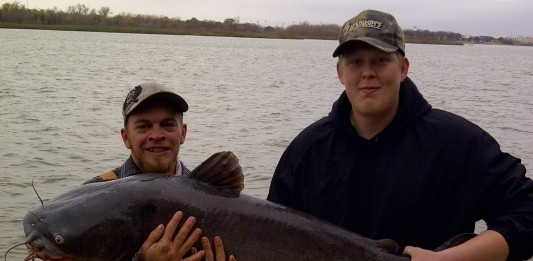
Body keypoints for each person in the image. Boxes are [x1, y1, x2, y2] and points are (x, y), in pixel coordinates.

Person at [267, 9, 533, 261]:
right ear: (340, 72)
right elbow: (269, 234)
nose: (367, 73)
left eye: (380, 60)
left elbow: (527, 213)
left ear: (403, 68)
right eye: (355, 62)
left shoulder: (458, 143)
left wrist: (449, 258)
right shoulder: (307, 149)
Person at [84, 83, 236, 261]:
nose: (156, 135)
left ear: (183, 133)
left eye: (168, 124)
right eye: (143, 126)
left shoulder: (212, 190)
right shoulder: (92, 201)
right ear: (126, 137)